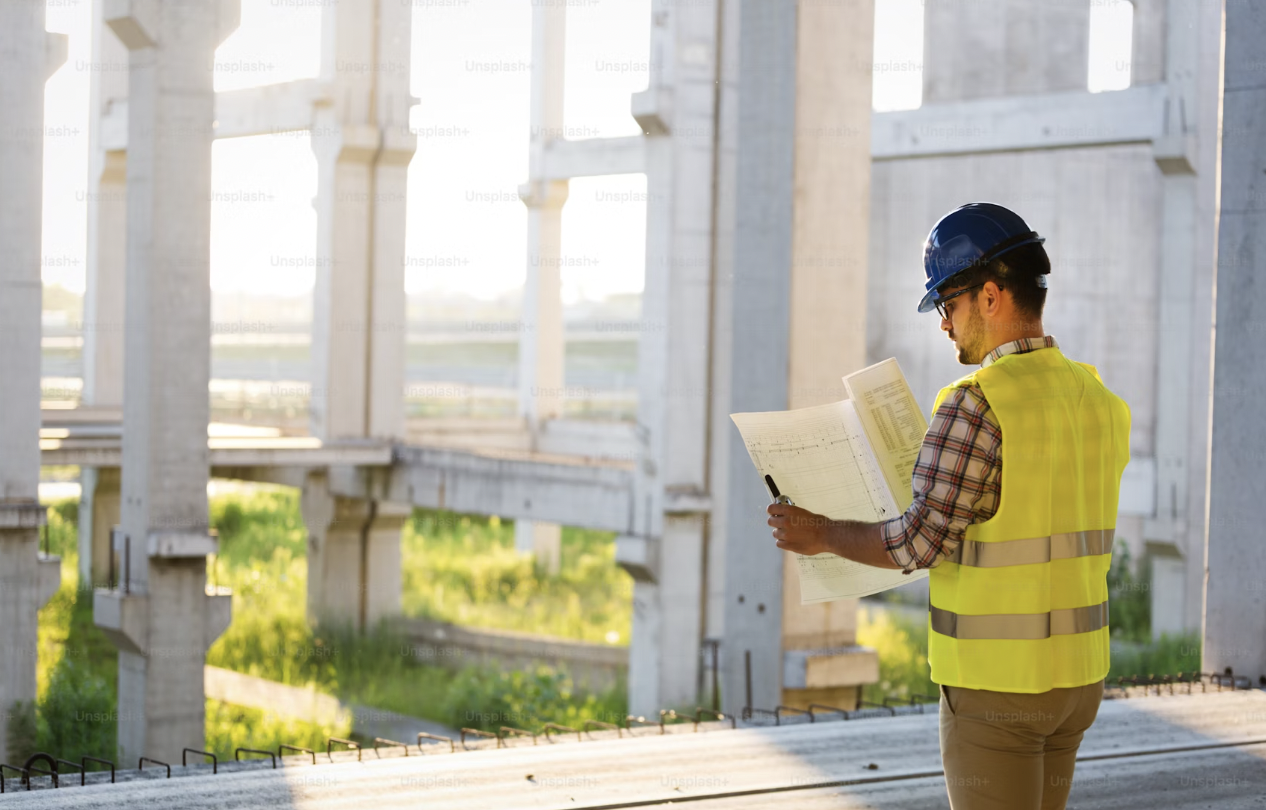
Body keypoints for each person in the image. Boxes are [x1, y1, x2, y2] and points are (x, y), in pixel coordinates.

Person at [767, 202, 1131, 810]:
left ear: (990, 296)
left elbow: (919, 544)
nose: (943, 323)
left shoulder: (976, 404)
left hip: (998, 690)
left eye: (948, 303)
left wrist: (822, 533)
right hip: (1079, 682)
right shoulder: (1098, 398)